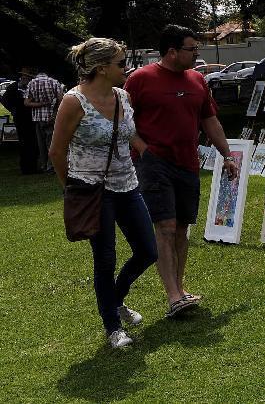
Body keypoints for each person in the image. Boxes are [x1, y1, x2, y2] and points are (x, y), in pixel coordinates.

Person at [48, 38, 158, 349]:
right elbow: (57, 151)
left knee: (148, 251)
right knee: (105, 258)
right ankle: (112, 327)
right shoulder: (74, 101)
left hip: (127, 184)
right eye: (121, 63)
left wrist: (148, 152)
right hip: (93, 190)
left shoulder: (122, 96)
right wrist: (71, 188)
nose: (127, 68)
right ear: (101, 68)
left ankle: (115, 299)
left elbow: (128, 133)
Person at [125, 25, 238, 318]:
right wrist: (143, 149)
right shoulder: (140, 80)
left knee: (182, 229)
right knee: (165, 227)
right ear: (172, 51)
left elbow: (210, 121)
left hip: (188, 163)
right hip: (154, 164)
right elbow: (124, 122)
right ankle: (174, 296)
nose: (196, 53)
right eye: (192, 48)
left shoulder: (198, 80)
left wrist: (227, 154)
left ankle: (179, 287)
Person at [1, 69, 40, 174]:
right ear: (23, 78)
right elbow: (4, 100)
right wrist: (12, 110)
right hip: (20, 118)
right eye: (26, 78)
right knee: (24, 142)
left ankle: (33, 166)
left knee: (33, 142)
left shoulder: (31, 88)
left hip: (31, 118)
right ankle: (25, 167)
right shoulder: (13, 87)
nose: (28, 80)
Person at [25, 68, 65, 172]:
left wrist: (40, 104)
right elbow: (61, 100)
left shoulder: (31, 83)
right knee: (51, 142)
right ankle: (51, 166)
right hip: (51, 117)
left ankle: (44, 165)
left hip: (38, 118)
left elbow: (27, 103)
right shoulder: (54, 82)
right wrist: (55, 113)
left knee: (41, 143)